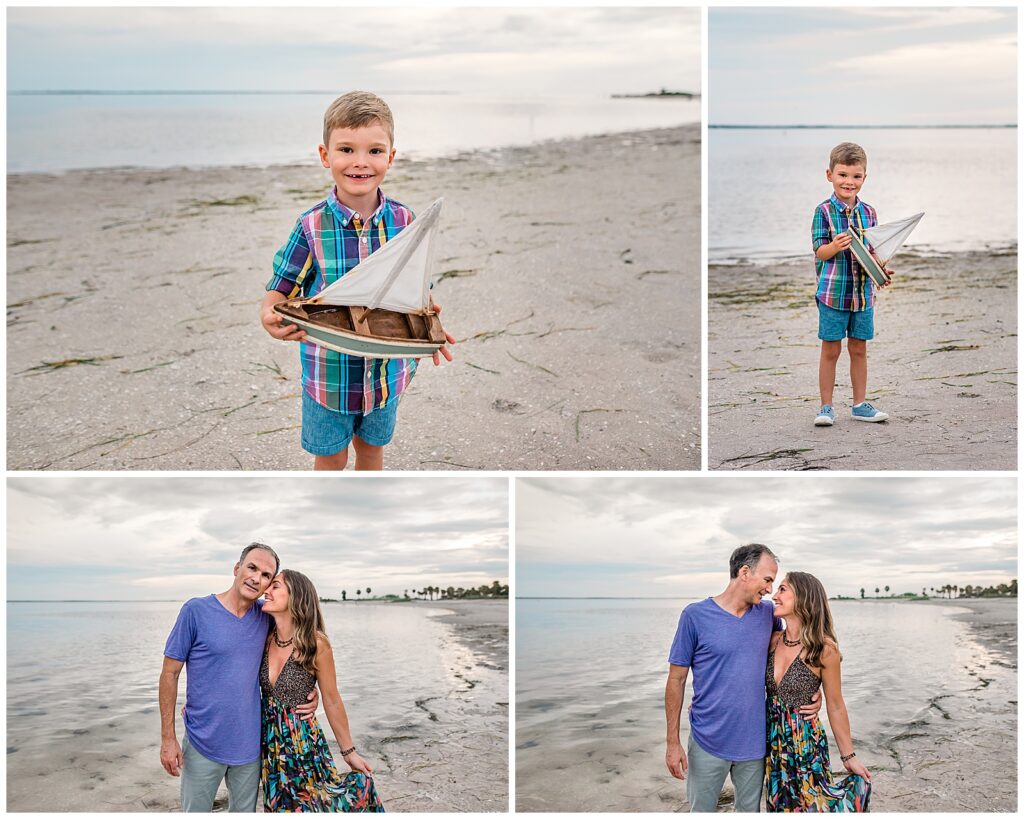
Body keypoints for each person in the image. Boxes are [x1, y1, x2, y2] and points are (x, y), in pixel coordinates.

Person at [260, 90, 455, 471]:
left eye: (374, 151)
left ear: (391, 157)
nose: (360, 163)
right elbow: (280, 288)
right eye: (346, 150)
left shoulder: (404, 221)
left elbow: (415, 288)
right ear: (325, 155)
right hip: (329, 379)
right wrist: (269, 315)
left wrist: (431, 319)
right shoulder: (312, 226)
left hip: (386, 377)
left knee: (371, 450)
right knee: (330, 457)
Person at [159, 543, 318, 812]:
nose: (257, 578)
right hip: (202, 741)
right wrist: (167, 738)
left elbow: (297, 648)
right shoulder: (195, 611)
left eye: (266, 575)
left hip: (250, 745)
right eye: (252, 568)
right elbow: (169, 674)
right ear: (237, 568)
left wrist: (311, 692)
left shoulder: (266, 616)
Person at [665, 544, 820, 812]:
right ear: (745, 572)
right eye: (768, 580)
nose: (770, 590)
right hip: (707, 740)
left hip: (755, 743)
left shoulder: (768, 614)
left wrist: (813, 693)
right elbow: (675, 680)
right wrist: (672, 742)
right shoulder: (695, 616)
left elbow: (794, 652)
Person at [260, 569, 384, 812]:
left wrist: (349, 753)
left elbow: (332, 700)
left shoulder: (316, 643)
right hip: (270, 745)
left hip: (302, 742)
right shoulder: (264, 636)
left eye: (275, 586)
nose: (267, 590)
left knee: (315, 805)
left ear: (295, 596)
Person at [765, 572, 871, 811]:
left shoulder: (824, 649)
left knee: (811, 807)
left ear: (803, 597)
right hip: (774, 743)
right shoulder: (772, 640)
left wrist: (848, 756)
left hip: (805, 743)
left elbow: (835, 704)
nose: (775, 595)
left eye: (782, 589)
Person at [812, 142, 890, 427]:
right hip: (833, 293)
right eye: (843, 175)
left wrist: (880, 269)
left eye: (856, 176)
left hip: (862, 296)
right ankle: (826, 407)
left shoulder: (869, 212)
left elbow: (872, 251)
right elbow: (819, 252)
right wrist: (834, 245)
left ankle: (859, 404)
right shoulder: (823, 211)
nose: (849, 182)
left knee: (859, 348)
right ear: (829, 174)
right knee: (830, 349)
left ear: (864, 179)